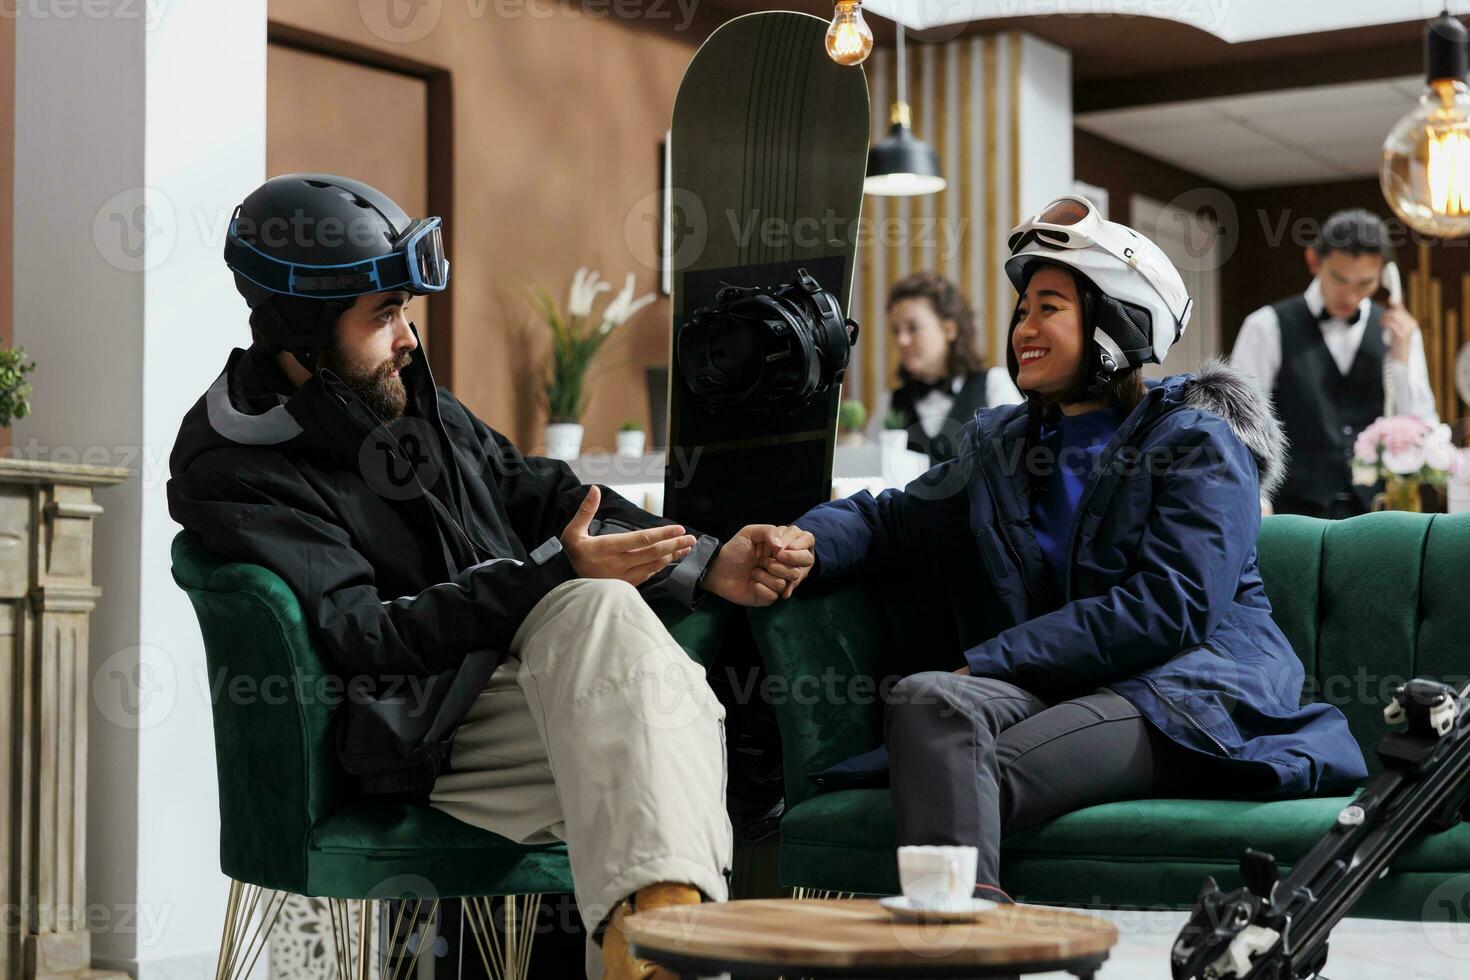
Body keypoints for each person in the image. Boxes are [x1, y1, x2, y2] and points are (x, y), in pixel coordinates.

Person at [166, 174, 811, 980]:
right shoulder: (235, 468)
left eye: (404, 311)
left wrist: (710, 560)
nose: (407, 338)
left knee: (654, 703)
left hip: (519, 695)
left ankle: (654, 951)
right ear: (301, 332)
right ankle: (662, 949)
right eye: (383, 316)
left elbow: (547, 497)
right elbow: (364, 636)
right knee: (664, 711)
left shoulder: (402, 404)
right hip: (415, 731)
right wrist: (545, 576)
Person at [770, 196, 1368, 895]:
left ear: (1118, 319)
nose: (1023, 325)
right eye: (1022, 309)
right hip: (1063, 693)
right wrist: (803, 541)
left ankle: (953, 946)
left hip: (1185, 693)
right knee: (927, 702)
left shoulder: (1197, 446)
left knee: (969, 767)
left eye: (1048, 306)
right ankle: (972, 941)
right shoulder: (1002, 449)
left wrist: (992, 661)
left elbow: (1167, 607)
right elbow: (891, 519)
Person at [1229, 208, 1439, 519]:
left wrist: (1401, 357)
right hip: (1290, 512)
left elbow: (1421, 425)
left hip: (1374, 513)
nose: (1351, 295)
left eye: (1365, 283)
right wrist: (1257, 500)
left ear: (1383, 275)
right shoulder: (1265, 326)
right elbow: (1241, 426)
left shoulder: (1399, 333)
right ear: (1314, 261)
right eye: (1339, 280)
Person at [873, 271, 1023, 463]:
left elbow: (1018, 457)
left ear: (949, 330)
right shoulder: (889, 402)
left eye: (913, 328)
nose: (901, 340)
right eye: (896, 331)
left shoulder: (993, 384)